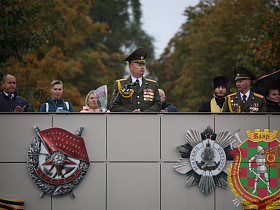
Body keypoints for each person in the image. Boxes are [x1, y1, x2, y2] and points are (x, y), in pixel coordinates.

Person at [109, 47, 161, 112]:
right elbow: (113, 106)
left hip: (147, 120)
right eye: (139, 65)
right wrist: (131, 113)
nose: (142, 67)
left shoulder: (153, 84)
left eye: (143, 65)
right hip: (127, 120)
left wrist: (144, 114)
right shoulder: (120, 84)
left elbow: (158, 104)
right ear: (130, 67)